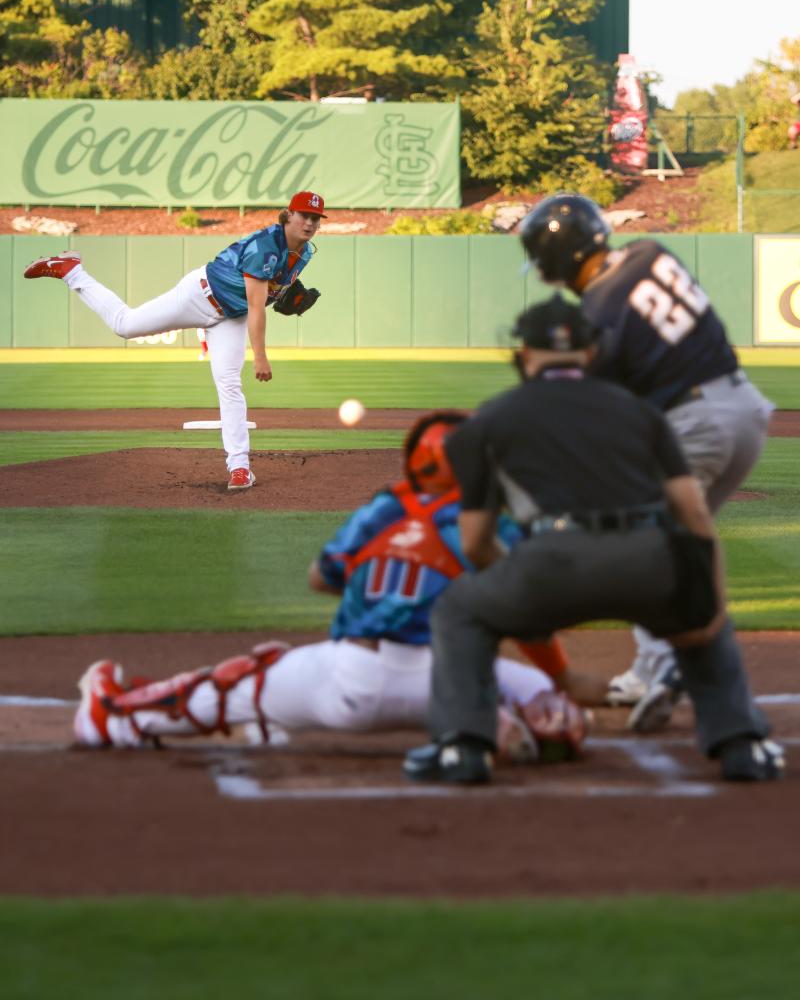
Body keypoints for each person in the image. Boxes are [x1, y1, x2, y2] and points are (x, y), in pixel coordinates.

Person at [403, 295, 784, 786]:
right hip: (650, 561)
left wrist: (520, 592)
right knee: (700, 614)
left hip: (549, 564)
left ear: (524, 354)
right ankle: (745, 744)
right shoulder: (642, 410)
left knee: (459, 612)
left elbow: (475, 543)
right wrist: (708, 600)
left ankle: (463, 749)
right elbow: (692, 512)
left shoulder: (489, 420)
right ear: (590, 352)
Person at [73, 412, 589, 762]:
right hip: (452, 680)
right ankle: (525, 717)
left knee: (250, 676)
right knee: (531, 685)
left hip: (356, 679)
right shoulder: (492, 521)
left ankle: (115, 719)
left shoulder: (388, 506)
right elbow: (528, 613)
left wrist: (391, 575)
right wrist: (559, 679)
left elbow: (321, 578)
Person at [517, 192, 775, 733]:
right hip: (746, 413)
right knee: (673, 537)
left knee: (642, 540)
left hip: (696, 424)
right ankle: (652, 666)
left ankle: (666, 668)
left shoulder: (596, 314)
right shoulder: (652, 251)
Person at [23, 191, 327, 490]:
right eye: (304, 215)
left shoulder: (307, 252)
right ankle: (72, 271)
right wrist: (260, 356)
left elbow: (271, 288)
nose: (310, 223)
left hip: (230, 318)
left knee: (230, 384)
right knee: (125, 325)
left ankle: (240, 468)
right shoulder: (265, 246)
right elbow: (256, 304)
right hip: (199, 295)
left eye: (316, 218)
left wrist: (285, 293)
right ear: (289, 215)